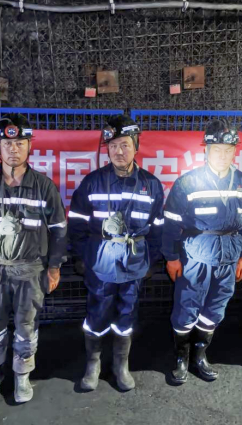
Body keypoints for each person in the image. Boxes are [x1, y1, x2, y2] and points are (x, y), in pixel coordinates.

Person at [0, 113, 67, 403]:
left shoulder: (44, 187)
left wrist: (54, 266)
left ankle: (22, 375)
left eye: (20, 143)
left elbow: (60, 229)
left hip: (30, 270)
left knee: (26, 325)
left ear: (29, 146)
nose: (14, 149)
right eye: (7, 143)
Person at [68, 115, 164, 391]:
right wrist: (81, 256)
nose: (118, 152)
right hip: (100, 260)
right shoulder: (92, 182)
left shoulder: (151, 184)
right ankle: (93, 364)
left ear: (136, 147)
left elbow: (158, 226)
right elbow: (77, 222)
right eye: (112, 146)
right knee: (97, 311)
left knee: (127, 313)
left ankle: (121, 364)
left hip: (134, 261)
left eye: (124, 145)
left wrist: (152, 260)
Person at [161, 119, 242, 384]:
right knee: (186, 307)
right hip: (196, 257)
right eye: (217, 149)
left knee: (215, 308)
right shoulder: (188, 182)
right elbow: (171, 223)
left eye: (228, 150)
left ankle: (200, 356)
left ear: (235, 151)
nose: (223, 155)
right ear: (206, 150)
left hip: (229, 256)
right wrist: (171, 257)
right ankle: (181, 358)